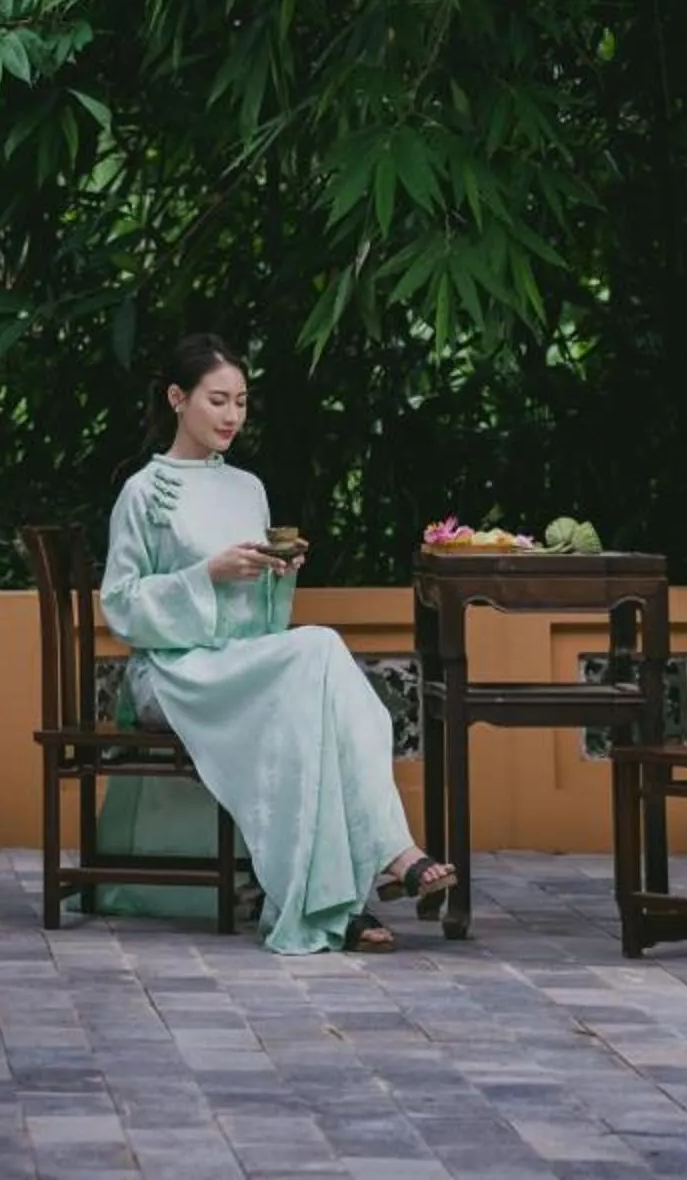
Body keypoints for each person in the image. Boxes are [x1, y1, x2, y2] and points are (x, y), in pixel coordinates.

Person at [90, 334, 452, 954]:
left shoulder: (248, 488)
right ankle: (389, 855)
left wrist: (274, 576)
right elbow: (121, 605)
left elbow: (261, 626)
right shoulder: (144, 492)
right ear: (178, 399)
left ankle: (339, 899)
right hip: (173, 675)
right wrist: (206, 575)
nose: (232, 415)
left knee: (318, 694)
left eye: (242, 402)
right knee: (320, 652)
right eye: (217, 400)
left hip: (239, 664)